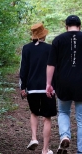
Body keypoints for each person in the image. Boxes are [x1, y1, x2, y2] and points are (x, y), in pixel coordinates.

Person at [46, 15, 82, 154]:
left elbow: (51, 64)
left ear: (66, 26)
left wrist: (48, 83)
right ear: (80, 26)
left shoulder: (58, 40)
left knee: (64, 112)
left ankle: (65, 135)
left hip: (63, 83)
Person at [20, 23, 57, 154]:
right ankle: (45, 150)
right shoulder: (50, 48)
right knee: (47, 117)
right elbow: (54, 68)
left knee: (34, 113)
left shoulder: (26, 48)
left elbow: (23, 69)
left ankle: (34, 138)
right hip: (48, 88)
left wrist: (23, 87)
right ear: (44, 35)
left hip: (32, 88)